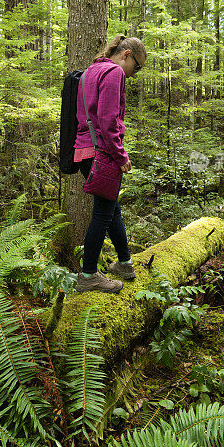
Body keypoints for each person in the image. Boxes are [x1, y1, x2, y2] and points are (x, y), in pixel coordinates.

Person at [74, 35, 147, 293]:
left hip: (84, 150)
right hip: (102, 152)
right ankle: (89, 275)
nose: (135, 74)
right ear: (126, 54)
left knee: (111, 207)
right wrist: (120, 155)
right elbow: (107, 121)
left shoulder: (91, 70)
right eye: (137, 67)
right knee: (103, 213)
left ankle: (125, 263)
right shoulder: (114, 72)